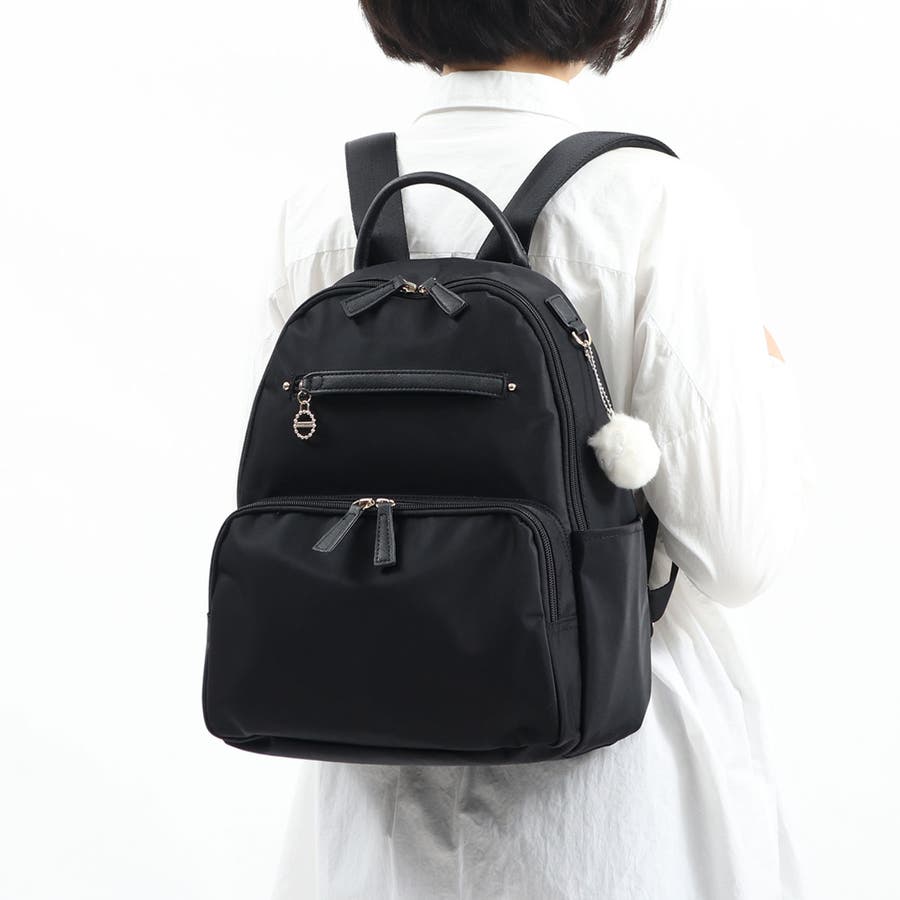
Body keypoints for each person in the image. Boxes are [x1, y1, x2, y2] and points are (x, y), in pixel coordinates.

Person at [262, 2, 816, 897]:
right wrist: (771, 377)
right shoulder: (655, 204)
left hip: (370, 766)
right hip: (606, 793)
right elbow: (738, 555)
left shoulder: (324, 207)